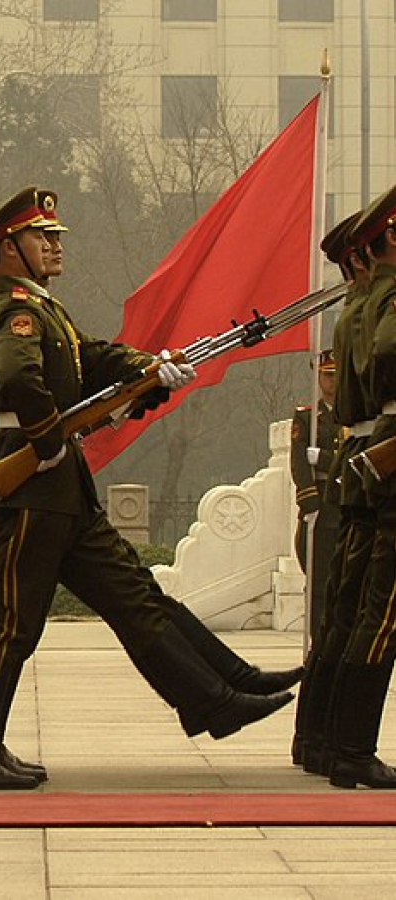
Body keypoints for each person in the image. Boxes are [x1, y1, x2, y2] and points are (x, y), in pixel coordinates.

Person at [0, 187, 293, 790]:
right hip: (29, 484)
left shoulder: (45, 310)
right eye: (40, 237)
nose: (55, 245)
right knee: (7, 622)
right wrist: (51, 443)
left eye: (55, 236)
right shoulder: (12, 311)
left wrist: (147, 370)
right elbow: (19, 379)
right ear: (4, 250)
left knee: (132, 594)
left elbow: (92, 361)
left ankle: (220, 692)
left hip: (57, 491)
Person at [292, 211, 375, 778]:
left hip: (360, 472)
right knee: (375, 617)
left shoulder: (357, 312)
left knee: (347, 615)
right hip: (378, 470)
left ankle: (320, 739)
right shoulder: (378, 310)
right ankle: (349, 750)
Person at [326, 185, 396, 789]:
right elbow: (389, 350)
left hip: (370, 446)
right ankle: (350, 747)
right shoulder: (386, 299)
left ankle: (331, 742)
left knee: (360, 607)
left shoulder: (363, 302)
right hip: (386, 444)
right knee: (382, 610)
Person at [289, 349, 342, 645]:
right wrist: (309, 502)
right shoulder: (307, 417)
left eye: (336, 375)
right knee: (319, 582)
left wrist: (323, 458)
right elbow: (298, 462)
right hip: (321, 505)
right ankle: (319, 641)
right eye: (326, 376)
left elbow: (354, 460)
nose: (331, 382)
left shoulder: (355, 415)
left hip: (346, 502)